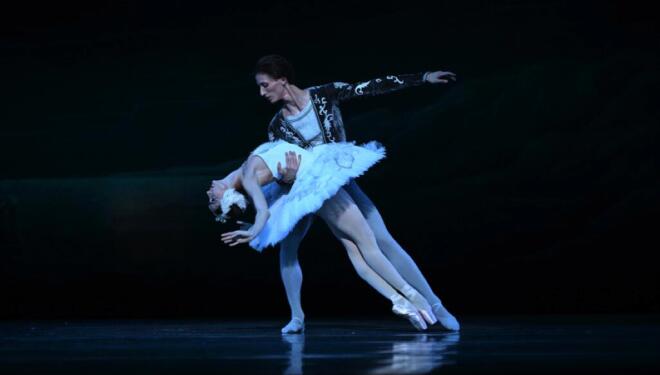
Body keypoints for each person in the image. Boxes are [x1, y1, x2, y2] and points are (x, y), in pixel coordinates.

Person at [254, 55, 460, 334]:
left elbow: (371, 86)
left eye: (266, 85)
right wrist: (287, 178)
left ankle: (434, 305)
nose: (262, 92)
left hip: (336, 183)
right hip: (304, 189)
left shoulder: (324, 95)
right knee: (288, 249)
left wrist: (422, 77)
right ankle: (297, 317)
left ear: (283, 80)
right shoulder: (277, 126)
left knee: (379, 241)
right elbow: (276, 165)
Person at [206, 139, 434, 331]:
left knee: (354, 250)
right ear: (227, 196)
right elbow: (263, 211)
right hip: (315, 182)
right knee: (367, 244)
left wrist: (244, 221)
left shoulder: (243, 174)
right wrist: (253, 231)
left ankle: (399, 301)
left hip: (307, 182)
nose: (209, 192)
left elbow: (257, 198)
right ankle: (410, 295)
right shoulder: (247, 177)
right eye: (212, 199)